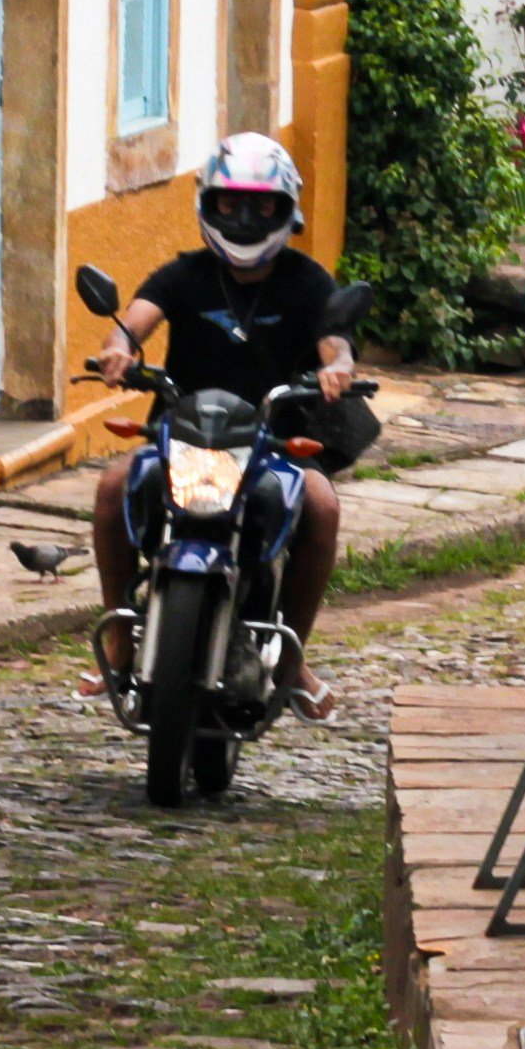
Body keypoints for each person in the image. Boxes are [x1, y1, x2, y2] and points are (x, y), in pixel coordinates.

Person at [92, 133, 358, 716]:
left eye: (261, 206)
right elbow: (134, 319)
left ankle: (291, 659)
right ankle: (118, 640)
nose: (243, 217)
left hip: (273, 444)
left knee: (323, 505)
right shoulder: (185, 275)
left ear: (286, 211)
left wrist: (337, 368)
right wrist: (119, 350)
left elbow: (335, 342)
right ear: (207, 205)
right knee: (114, 486)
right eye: (230, 203)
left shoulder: (307, 281)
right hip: (183, 438)